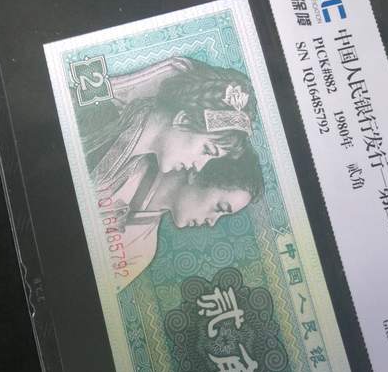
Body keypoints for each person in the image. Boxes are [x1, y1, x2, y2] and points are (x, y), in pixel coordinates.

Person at [82, 58, 257, 192]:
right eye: (207, 150)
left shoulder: (129, 170)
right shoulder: (96, 119)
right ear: (183, 120)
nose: (198, 167)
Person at [102, 145, 264, 288]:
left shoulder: (143, 251)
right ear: (196, 174)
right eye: (219, 208)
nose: (212, 222)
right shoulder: (129, 161)